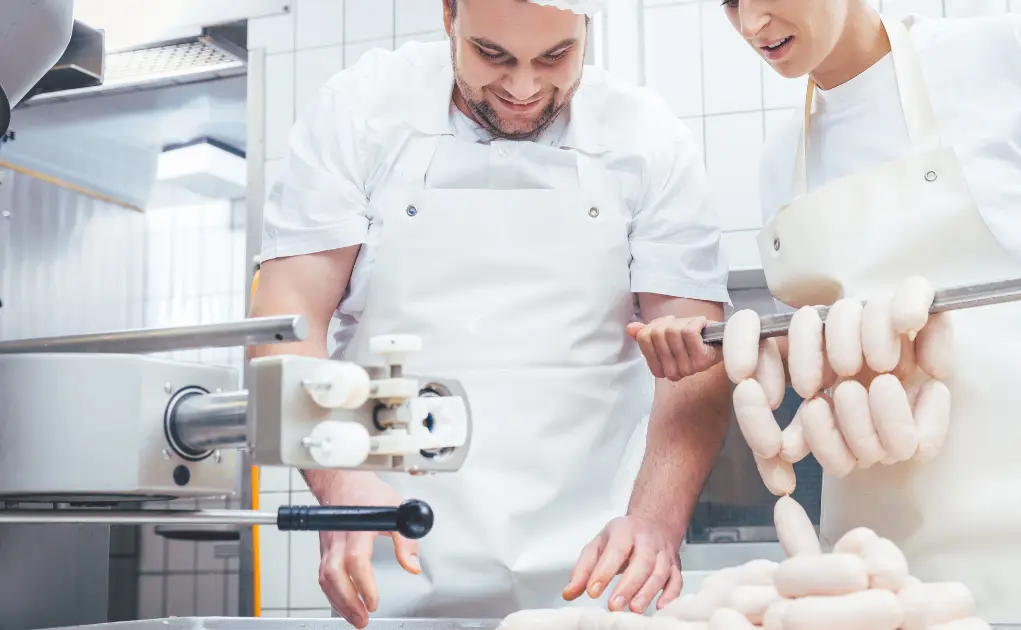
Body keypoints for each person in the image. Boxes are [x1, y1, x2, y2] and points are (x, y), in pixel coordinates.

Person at [638, 0, 1021, 625]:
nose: (750, 25)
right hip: (877, 567)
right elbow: (807, 359)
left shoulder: (1002, 57)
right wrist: (708, 346)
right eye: (730, 4)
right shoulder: (780, 163)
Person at [247, 0, 733, 626]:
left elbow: (694, 360)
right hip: (396, 562)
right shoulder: (361, 111)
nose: (524, 88)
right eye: (493, 55)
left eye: (555, 56)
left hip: (599, 581)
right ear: (449, 16)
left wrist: (657, 521)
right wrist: (339, 482)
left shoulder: (647, 139)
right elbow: (285, 322)